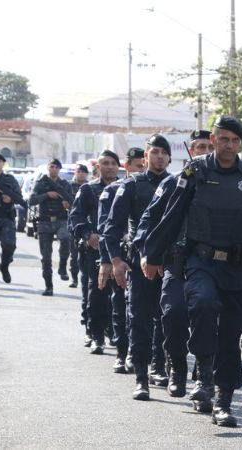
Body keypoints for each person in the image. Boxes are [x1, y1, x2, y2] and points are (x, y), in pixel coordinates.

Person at [141, 116, 242, 427]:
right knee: (202, 303)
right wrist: (151, 254)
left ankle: (223, 401)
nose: (229, 145)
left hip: (235, 266)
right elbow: (172, 214)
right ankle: (203, 377)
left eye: (235, 141)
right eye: (223, 139)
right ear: (215, 139)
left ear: (240, 144)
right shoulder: (196, 171)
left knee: (231, 334)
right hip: (200, 260)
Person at [134, 129, 213, 401]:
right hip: (177, 264)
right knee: (173, 313)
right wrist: (147, 253)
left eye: (207, 147)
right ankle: (176, 367)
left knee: (208, 316)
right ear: (189, 151)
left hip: (214, 266)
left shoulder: (227, 185)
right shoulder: (173, 183)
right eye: (198, 147)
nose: (203, 152)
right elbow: (148, 220)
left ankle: (204, 377)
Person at [102, 135, 171, 400]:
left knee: (168, 318)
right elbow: (112, 228)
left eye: (164, 153)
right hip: (139, 263)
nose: (160, 157)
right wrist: (116, 261)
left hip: (170, 263)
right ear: (146, 157)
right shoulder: (132, 185)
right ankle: (141, 377)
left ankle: (161, 367)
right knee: (139, 319)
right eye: (155, 152)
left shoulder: (178, 184)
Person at [97, 147, 145, 372]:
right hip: (119, 255)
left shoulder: (155, 187)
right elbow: (107, 226)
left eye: (142, 165)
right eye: (137, 165)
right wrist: (107, 260)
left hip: (143, 256)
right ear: (127, 167)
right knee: (119, 304)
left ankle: (146, 356)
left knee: (142, 309)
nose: (141, 169)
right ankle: (122, 352)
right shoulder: (114, 190)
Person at [69, 151, 120, 355]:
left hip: (118, 250)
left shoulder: (125, 187)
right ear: (98, 167)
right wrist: (88, 234)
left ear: (119, 167)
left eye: (113, 163)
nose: (109, 167)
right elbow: (76, 217)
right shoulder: (88, 190)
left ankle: (115, 331)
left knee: (119, 295)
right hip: (94, 250)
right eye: (105, 163)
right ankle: (96, 334)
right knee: (97, 293)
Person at [29, 159, 73, 296]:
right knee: (46, 257)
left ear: (59, 169)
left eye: (56, 167)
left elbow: (73, 203)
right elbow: (31, 200)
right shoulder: (41, 183)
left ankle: (62, 266)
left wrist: (67, 204)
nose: (54, 169)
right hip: (45, 221)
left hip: (61, 219)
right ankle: (49, 286)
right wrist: (47, 195)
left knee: (66, 239)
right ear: (48, 168)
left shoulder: (65, 184)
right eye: (51, 167)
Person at [0, 153, 22, 289]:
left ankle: (4, 265)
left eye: (0, 161)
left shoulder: (10, 179)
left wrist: (11, 199)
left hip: (6, 218)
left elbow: (19, 197)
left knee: (9, 245)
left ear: (3, 164)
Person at [68, 164, 90, 289]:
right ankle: (74, 278)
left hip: (86, 224)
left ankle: (83, 277)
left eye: (83, 172)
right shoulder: (68, 186)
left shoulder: (90, 187)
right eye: (78, 171)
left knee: (84, 254)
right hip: (72, 223)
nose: (81, 174)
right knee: (73, 253)